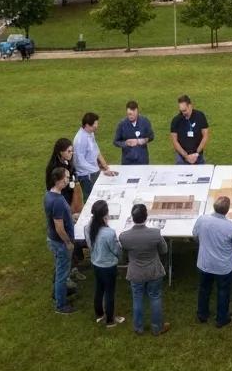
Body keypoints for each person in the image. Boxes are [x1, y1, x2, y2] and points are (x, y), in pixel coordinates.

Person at [119, 203, 170, 336]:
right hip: (154, 271)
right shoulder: (155, 233)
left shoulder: (124, 236)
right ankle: (157, 327)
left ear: (132, 217)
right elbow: (164, 250)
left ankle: (138, 327)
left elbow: (123, 254)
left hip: (135, 272)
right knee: (155, 297)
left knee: (137, 299)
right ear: (146, 217)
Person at [192, 195, 232, 326]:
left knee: (204, 289)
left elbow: (195, 235)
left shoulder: (202, 220)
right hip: (223, 266)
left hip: (205, 263)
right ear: (227, 210)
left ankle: (202, 314)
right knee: (223, 291)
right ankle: (221, 319)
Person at [45, 138, 86, 281]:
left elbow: (73, 176)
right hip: (64, 202)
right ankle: (64, 276)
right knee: (68, 236)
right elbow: (53, 189)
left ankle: (74, 263)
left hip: (71, 199)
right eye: (68, 151)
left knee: (74, 230)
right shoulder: (54, 168)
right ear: (60, 152)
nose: (71, 153)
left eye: (72, 150)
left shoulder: (68, 162)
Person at [86, 199, 124, 328]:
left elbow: (90, 246)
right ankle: (110, 321)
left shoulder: (89, 228)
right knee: (109, 292)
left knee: (99, 289)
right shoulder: (109, 233)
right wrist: (120, 256)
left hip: (96, 263)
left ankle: (99, 314)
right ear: (105, 214)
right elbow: (116, 250)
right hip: (108, 266)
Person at [44, 166, 77, 314]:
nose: (68, 180)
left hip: (53, 239)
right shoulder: (57, 201)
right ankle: (61, 305)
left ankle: (58, 295)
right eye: (66, 178)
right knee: (63, 274)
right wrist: (68, 242)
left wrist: (71, 217)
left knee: (59, 269)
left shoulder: (50, 195)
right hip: (60, 242)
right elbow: (59, 227)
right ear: (58, 180)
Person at [72, 112, 115, 198]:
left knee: (97, 195)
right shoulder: (80, 139)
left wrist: (105, 166)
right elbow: (80, 162)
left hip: (93, 171)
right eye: (94, 125)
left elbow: (95, 149)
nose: (96, 127)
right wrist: (98, 171)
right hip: (85, 176)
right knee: (89, 198)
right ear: (87, 125)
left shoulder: (90, 133)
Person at [170, 94, 210, 165]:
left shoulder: (200, 116)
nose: (183, 113)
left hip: (198, 157)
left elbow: (205, 135)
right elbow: (174, 141)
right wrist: (186, 156)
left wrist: (196, 153)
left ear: (190, 106)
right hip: (181, 158)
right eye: (181, 111)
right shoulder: (176, 120)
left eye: (185, 110)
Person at [113, 100, 155, 165]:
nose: (130, 116)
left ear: (137, 112)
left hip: (142, 161)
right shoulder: (122, 124)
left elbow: (151, 136)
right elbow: (115, 142)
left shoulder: (145, 122)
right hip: (127, 162)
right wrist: (126, 143)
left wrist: (143, 140)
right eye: (129, 114)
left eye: (133, 114)